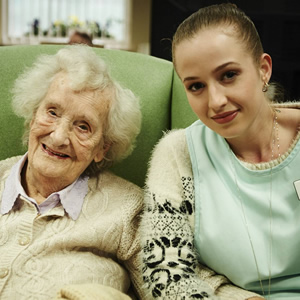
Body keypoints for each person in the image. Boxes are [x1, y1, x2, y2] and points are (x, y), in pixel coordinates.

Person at [141, 3, 300, 300]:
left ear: (263, 70)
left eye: (228, 75)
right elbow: (164, 273)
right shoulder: (178, 155)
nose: (215, 101)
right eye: (196, 86)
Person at [0, 45, 144, 299]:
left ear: (102, 148)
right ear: (33, 116)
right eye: (52, 112)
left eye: (83, 127)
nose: (58, 138)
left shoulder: (128, 209)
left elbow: (180, 282)